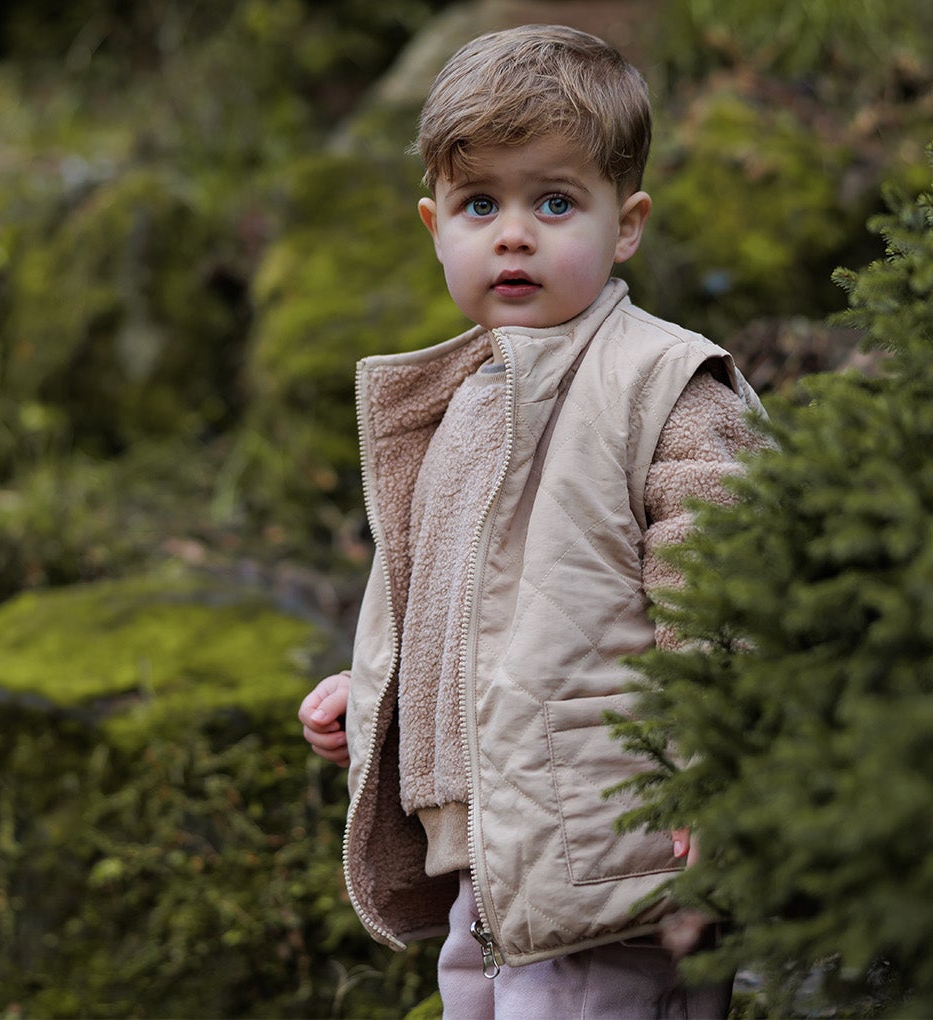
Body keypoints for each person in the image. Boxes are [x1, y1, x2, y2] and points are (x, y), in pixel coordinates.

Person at [294, 23, 764, 1019]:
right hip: (486, 859)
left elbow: (718, 580)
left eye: (554, 201)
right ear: (434, 224)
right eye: (480, 204)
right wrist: (372, 692)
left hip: (613, 849)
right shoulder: (460, 398)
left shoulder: (661, 383)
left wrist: (712, 767)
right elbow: (464, 604)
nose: (513, 233)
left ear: (625, 222)